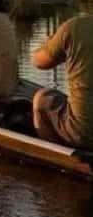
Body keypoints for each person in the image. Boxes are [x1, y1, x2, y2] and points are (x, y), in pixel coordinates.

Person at [31, 14, 93, 149]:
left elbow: (38, 62)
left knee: (41, 99)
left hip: (84, 133)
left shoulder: (75, 27)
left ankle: (56, 157)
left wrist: (50, 43)